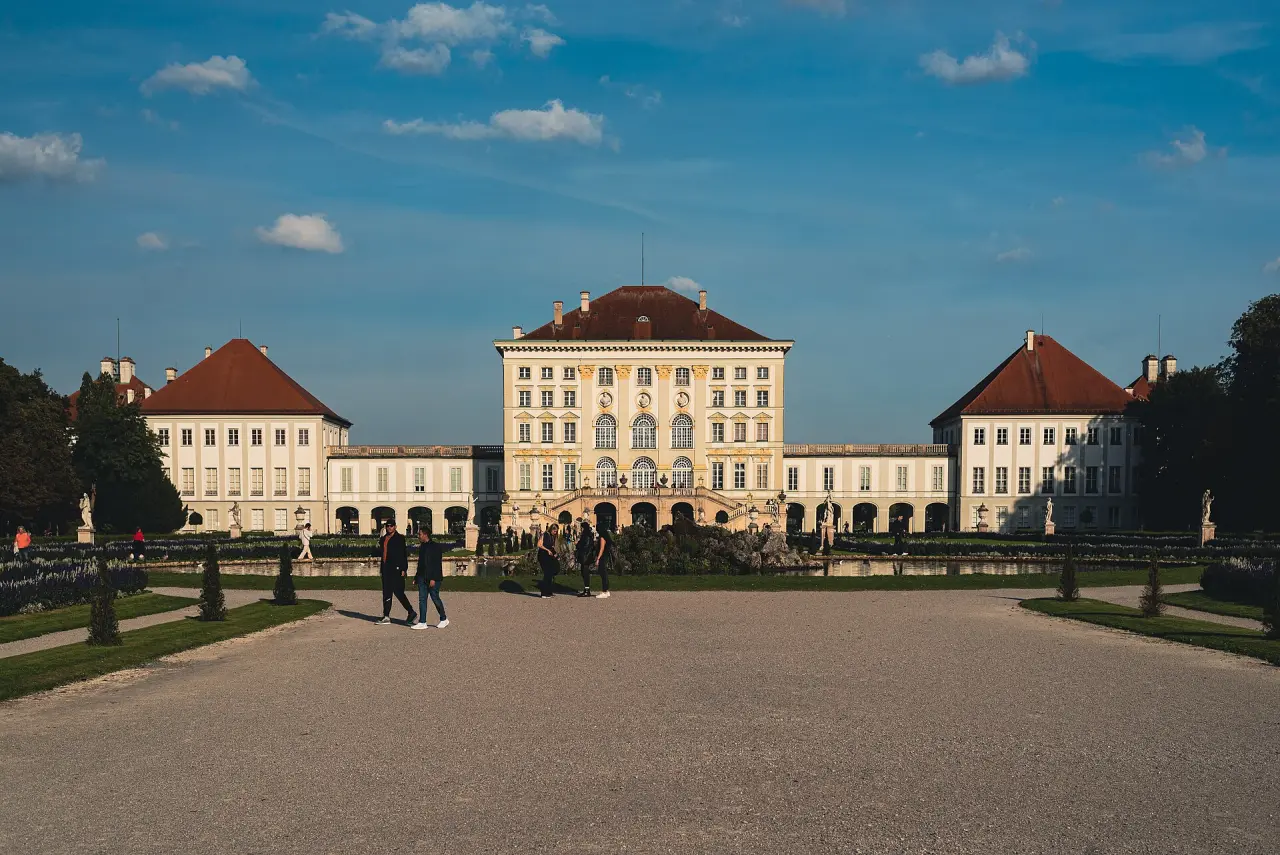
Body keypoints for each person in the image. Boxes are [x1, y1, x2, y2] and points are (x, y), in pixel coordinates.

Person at [376, 520, 416, 626]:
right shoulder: (383, 538)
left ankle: (411, 611)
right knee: (386, 593)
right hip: (386, 569)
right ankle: (386, 616)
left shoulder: (400, 538)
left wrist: (404, 569)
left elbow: (403, 554)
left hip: (396, 569)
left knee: (398, 592)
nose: (389, 527)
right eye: (387, 526)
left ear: (395, 527)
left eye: (391, 526)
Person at [411, 528, 448, 630]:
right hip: (422, 577)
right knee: (422, 599)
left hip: (432, 577)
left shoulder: (435, 547)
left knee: (435, 598)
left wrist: (433, 578)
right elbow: (421, 564)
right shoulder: (422, 547)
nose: (418, 536)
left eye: (420, 534)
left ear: (425, 535)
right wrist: (416, 577)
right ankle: (422, 622)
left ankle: (444, 619)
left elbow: (436, 564)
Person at [536, 523, 559, 598]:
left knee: (551, 573)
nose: (555, 533)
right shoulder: (545, 534)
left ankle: (549, 592)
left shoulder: (551, 536)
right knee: (547, 573)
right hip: (543, 555)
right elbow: (539, 545)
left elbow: (551, 546)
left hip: (548, 556)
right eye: (555, 531)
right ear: (552, 529)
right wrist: (547, 550)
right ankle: (544, 593)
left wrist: (554, 553)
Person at [574, 520, 596, 597]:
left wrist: (577, 544)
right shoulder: (589, 535)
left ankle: (587, 590)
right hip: (587, 556)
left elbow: (584, 546)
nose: (581, 529)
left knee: (585, 573)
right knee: (585, 573)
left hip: (585, 556)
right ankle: (587, 589)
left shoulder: (585, 536)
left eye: (581, 528)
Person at [592, 525, 613, 599]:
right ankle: (606, 590)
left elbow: (601, 549)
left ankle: (604, 591)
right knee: (604, 573)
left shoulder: (602, 537)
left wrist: (598, 559)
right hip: (605, 556)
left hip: (602, 557)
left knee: (602, 573)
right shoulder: (606, 536)